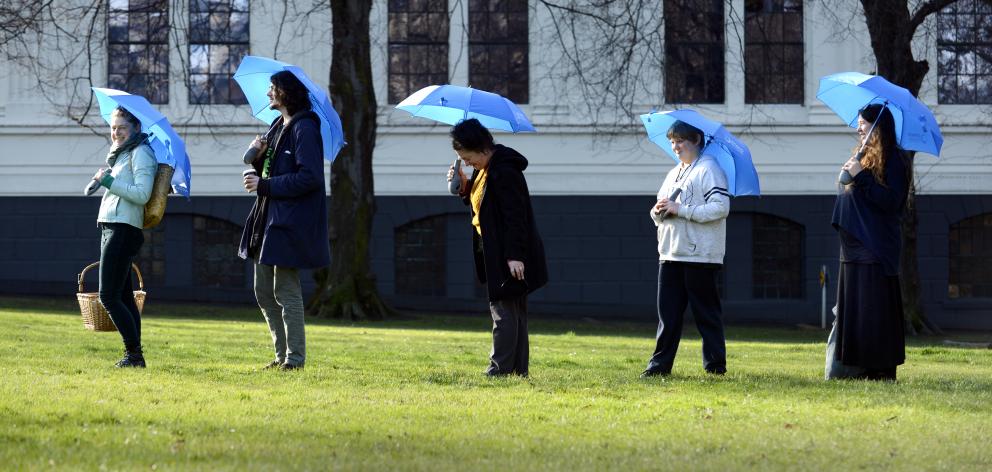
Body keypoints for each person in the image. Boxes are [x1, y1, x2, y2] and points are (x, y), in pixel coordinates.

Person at [239, 70, 330, 371]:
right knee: (263, 292)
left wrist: (264, 186)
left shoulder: (305, 128)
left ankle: (295, 360)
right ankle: (281, 356)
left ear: (286, 93)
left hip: (289, 222)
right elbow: (273, 170)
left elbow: (311, 177)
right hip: (267, 219)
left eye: (272, 88)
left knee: (285, 291)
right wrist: (258, 159)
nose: (268, 94)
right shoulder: (278, 127)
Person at [446, 118, 548, 377]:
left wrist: (515, 256)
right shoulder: (487, 169)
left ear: (480, 148)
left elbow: (516, 217)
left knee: (503, 310)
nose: (466, 162)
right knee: (513, 312)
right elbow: (485, 206)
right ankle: (516, 370)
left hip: (507, 253)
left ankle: (499, 369)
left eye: (466, 157)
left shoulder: (504, 171)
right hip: (496, 250)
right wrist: (464, 186)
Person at [641, 120, 731, 378]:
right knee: (667, 316)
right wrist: (658, 212)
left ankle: (715, 366)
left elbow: (720, 208)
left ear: (696, 141)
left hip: (700, 255)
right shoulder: (674, 173)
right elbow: (658, 209)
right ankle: (659, 367)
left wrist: (681, 210)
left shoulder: (709, 169)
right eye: (672, 141)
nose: (675, 146)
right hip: (670, 253)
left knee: (706, 314)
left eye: (680, 141)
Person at [826, 103, 909, 381]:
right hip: (852, 250)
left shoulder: (895, 160)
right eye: (859, 122)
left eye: (863, 122)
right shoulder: (863, 157)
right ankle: (853, 367)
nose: (858, 128)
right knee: (855, 313)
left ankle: (877, 369)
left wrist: (861, 177)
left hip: (873, 250)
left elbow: (892, 202)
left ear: (879, 126)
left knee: (873, 311)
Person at [93, 106, 157, 368]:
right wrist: (106, 176)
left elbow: (142, 194)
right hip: (112, 226)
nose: (116, 132)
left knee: (108, 296)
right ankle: (135, 356)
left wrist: (109, 182)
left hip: (123, 229)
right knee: (124, 296)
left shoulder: (142, 153)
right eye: (113, 127)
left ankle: (134, 355)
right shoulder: (122, 154)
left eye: (122, 128)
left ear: (136, 129)